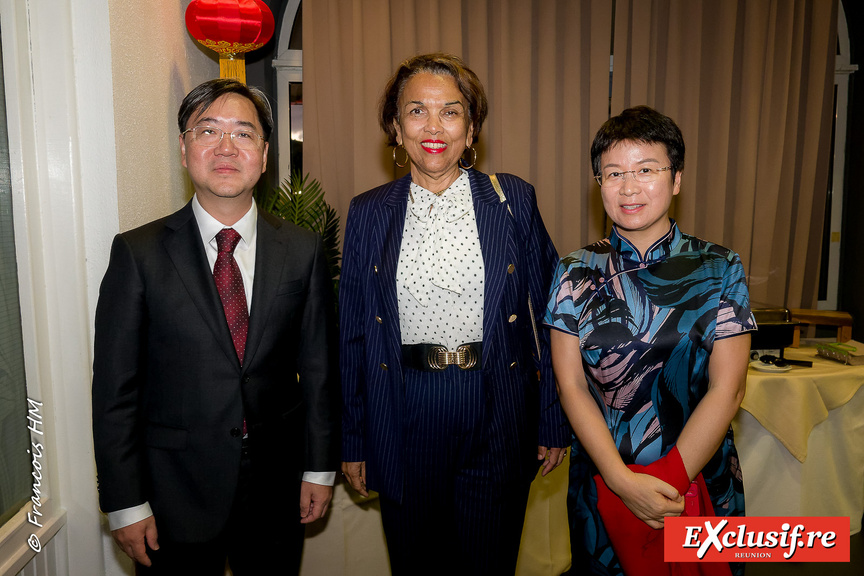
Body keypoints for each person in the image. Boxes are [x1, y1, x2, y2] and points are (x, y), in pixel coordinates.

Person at [91, 79, 339, 575]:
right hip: (172, 492)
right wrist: (125, 502)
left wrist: (318, 467)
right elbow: (115, 392)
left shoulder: (303, 250)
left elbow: (319, 371)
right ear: (185, 150)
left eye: (243, 134)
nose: (227, 147)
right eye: (209, 130)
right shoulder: (138, 254)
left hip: (276, 487)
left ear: (265, 156)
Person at [339, 53, 570, 575]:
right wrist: (354, 437)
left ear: (471, 129)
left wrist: (552, 418)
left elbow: (552, 315)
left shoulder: (512, 199)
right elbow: (353, 333)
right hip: (404, 407)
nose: (434, 126)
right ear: (396, 130)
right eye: (416, 111)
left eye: (451, 111)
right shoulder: (369, 211)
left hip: (496, 405)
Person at [545, 106, 754, 575]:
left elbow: (729, 388)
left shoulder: (720, 267)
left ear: (676, 179)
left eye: (646, 170)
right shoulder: (574, 270)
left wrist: (667, 483)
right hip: (603, 480)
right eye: (613, 173)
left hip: (700, 479)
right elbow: (571, 386)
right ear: (598, 183)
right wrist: (623, 483)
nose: (629, 187)